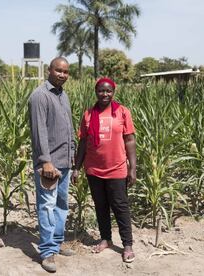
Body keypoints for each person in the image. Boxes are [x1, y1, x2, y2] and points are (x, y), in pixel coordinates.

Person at [71, 77, 136, 263]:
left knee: (120, 206)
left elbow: (130, 140)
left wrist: (133, 168)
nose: (104, 94)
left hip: (117, 168)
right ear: (96, 92)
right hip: (94, 169)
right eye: (101, 90)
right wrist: (77, 167)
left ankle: (127, 244)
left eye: (108, 91)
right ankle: (106, 238)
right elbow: (83, 143)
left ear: (113, 92)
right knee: (101, 206)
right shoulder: (88, 114)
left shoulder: (122, 112)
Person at [28, 57, 75, 273]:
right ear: (49, 70)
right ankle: (47, 252)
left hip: (65, 162)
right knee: (47, 206)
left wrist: (72, 159)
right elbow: (40, 133)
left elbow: (69, 129)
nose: (62, 75)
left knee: (61, 205)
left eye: (66, 72)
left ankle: (56, 243)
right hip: (50, 164)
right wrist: (46, 161)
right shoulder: (40, 96)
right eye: (59, 71)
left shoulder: (63, 95)